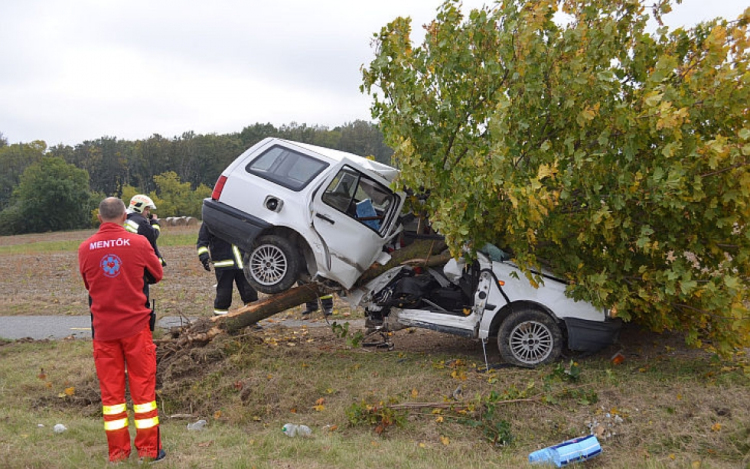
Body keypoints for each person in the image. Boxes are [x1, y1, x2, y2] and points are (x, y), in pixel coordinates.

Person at [78, 197, 165, 463]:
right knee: (143, 391)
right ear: (124, 215)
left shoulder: (85, 248)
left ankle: (117, 453)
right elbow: (157, 274)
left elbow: (87, 284)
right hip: (136, 327)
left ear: (99, 216)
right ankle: (149, 451)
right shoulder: (138, 242)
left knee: (112, 395)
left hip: (103, 331)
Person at [197, 222, 258, 316]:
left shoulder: (237, 216)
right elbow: (202, 242)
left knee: (250, 293)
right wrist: (204, 257)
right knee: (223, 296)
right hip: (223, 265)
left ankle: (253, 319)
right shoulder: (210, 219)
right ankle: (219, 320)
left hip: (243, 263)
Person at [125, 194, 166, 267]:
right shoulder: (140, 221)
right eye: (146, 209)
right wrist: (154, 221)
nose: (148, 213)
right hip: (140, 257)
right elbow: (153, 235)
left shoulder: (125, 218)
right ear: (139, 208)